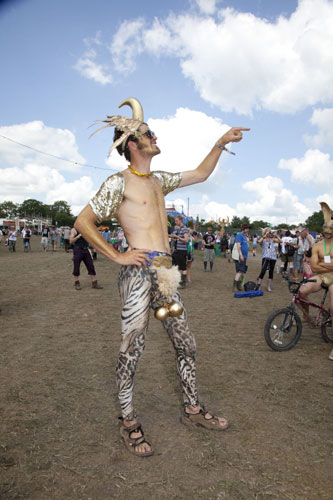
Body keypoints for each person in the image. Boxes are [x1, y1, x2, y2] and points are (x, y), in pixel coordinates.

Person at [74, 97, 249, 457]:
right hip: (138, 275)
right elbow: (82, 222)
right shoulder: (117, 183)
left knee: (187, 345)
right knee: (132, 350)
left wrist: (220, 142)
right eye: (148, 133)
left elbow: (200, 174)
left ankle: (192, 410)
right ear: (133, 145)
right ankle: (128, 422)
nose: (155, 136)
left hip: (166, 275)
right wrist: (118, 255)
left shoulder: (158, 182)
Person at [299, 203, 333, 360]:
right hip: (321, 275)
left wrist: (321, 265)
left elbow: (317, 265)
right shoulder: (318, 246)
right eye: (325, 230)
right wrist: (327, 265)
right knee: (301, 291)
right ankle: (307, 316)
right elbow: (313, 266)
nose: (327, 233)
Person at [171, 215, 189, 288]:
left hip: (182, 251)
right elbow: (180, 239)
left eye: (176, 221)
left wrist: (177, 237)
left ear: (180, 220)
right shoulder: (179, 229)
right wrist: (174, 239)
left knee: (183, 267)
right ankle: (177, 280)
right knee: (173, 264)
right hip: (177, 250)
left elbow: (186, 240)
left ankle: (183, 283)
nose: (175, 222)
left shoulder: (184, 229)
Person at [233, 224, 250, 291]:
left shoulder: (244, 236)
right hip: (240, 256)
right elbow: (238, 246)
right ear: (244, 229)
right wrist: (241, 255)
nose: (248, 230)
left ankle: (238, 285)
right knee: (239, 271)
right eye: (247, 228)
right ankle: (234, 286)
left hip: (244, 256)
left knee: (242, 271)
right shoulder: (239, 235)